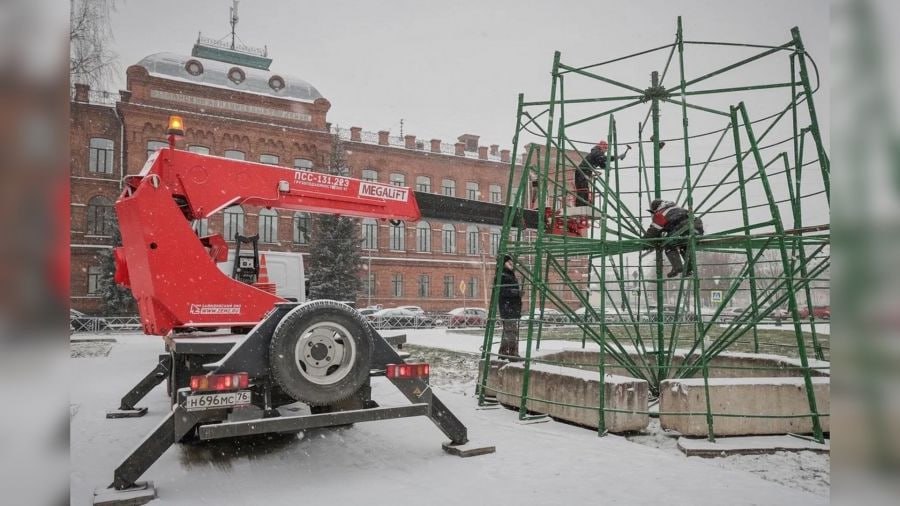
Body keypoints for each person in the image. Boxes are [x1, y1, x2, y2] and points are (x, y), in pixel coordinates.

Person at [642, 199, 704, 278]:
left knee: (668, 244)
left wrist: (645, 242)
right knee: (684, 245)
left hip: (684, 229)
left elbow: (653, 230)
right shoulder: (677, 209)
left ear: (655, 209)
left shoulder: (660, 214)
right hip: (697, 229)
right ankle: (689, 268)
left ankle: (677, 267)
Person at [575, 140, 630, 206]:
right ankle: (581, 204)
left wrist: (608, 166)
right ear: (602, 147)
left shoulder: (597, 154)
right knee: (582, 188)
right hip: (582, 171)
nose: (606, 151)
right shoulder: (596, 151)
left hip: (585, 172)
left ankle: (583, 204)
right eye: (605, 149)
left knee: (584, 189)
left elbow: (602, 164)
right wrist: (617, 157)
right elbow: (602, 158)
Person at [496, 254, 522, 360]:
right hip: (507, 307)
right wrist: (515, 292)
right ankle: (512, 354)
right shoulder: (502, 275)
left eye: (511, 262)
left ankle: (503, 353)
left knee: (508, 331)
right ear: (504, 263)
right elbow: (501, 291)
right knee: (511, 331)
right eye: (508, 262)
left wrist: (517, 293)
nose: (511, 263)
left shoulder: (509, 274)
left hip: (511, 306)